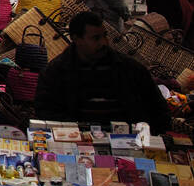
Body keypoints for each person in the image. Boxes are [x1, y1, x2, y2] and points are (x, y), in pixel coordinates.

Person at [34, 11, 171, 133]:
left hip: (127, 140)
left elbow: (158, 109)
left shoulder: (130, 69)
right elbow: (45, 111)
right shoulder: (57, 71)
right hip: (78, 141)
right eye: (96, 38)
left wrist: (147, 137)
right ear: (76, 39)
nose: (104, 42)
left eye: (104, 36)